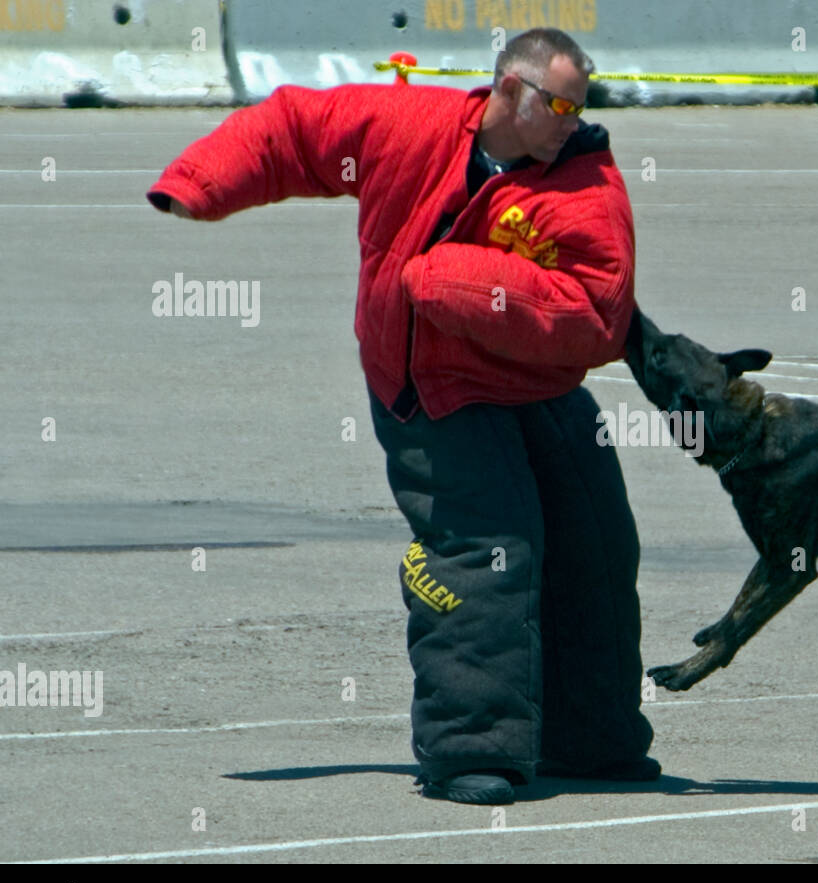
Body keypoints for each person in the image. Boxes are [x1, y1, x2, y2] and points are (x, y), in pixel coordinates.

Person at [147, 28, 656, 805]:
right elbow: (294, 130)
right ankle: (470, 749)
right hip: (429, 386)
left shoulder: (587, 180)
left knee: (595, 542)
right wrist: (200, 182)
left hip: (540, 381)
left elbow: (597, 315)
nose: (569, 121)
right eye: (557, 104)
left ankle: (592, 740)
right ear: (508, 91)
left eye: (580, 106)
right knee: (488, 550)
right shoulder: (411, 129)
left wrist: (453, 280)